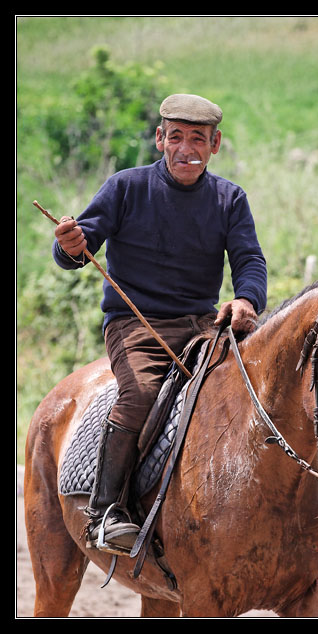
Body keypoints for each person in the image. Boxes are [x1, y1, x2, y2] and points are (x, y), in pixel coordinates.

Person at [52, 93, 267, 555]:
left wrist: (247, 299)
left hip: (202, 325)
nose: (185, 148)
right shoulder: (125, 188)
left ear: (215, 144)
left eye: (197, 139)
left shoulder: (230, 199)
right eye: (175, 137)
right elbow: (77, 245)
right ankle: (106, 511)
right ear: (159, 139)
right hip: (134, 325)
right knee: (141, 393)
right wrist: (70, 244)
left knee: (252, 390)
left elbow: (249, 260)